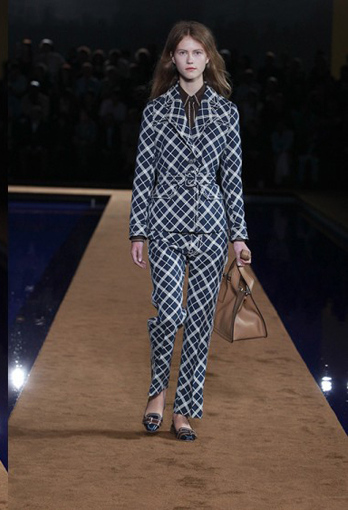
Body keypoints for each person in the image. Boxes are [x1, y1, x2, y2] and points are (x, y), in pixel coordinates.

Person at [128, 21, 251, 441]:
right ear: (171, 58)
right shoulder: (155, 111)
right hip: (164, 225)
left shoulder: (227, 113)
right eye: (183, 52)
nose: (190, 59)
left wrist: (239, 235)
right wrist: (137, 231)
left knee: (199, 322)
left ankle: (184, 408)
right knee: (168, 312)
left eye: (198, 52)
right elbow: (144, 174)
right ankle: (157, 392)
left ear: (209, 58)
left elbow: (232, 179)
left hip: (211, 228)